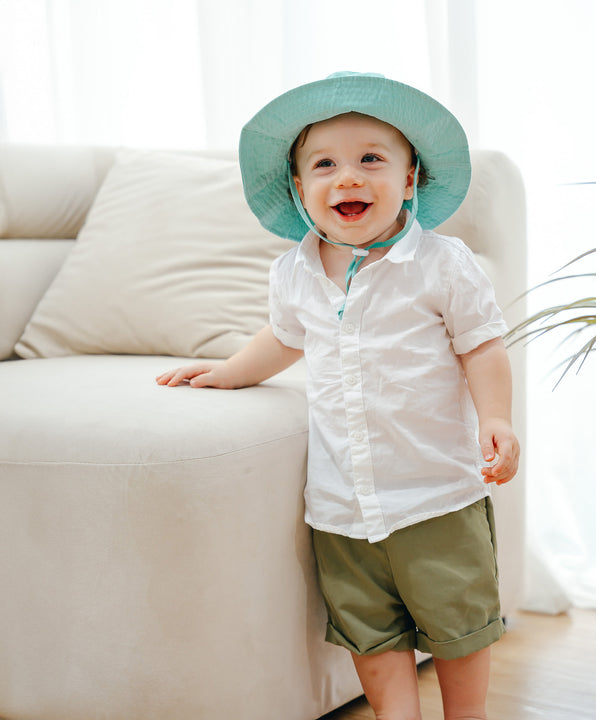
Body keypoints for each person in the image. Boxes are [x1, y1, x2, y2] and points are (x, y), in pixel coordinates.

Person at [157, 72, 520, 720]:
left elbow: (482, 346)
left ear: (411, 180)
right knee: (370, 632)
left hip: (435, 493)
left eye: (371, 160)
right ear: (299, 190)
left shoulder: (443, 264)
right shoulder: (294, 271)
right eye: (324, 164)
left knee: (459, 626)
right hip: (342, 506)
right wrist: (230, 372)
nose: (347, 178)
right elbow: (283, 337)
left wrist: (496, 418)